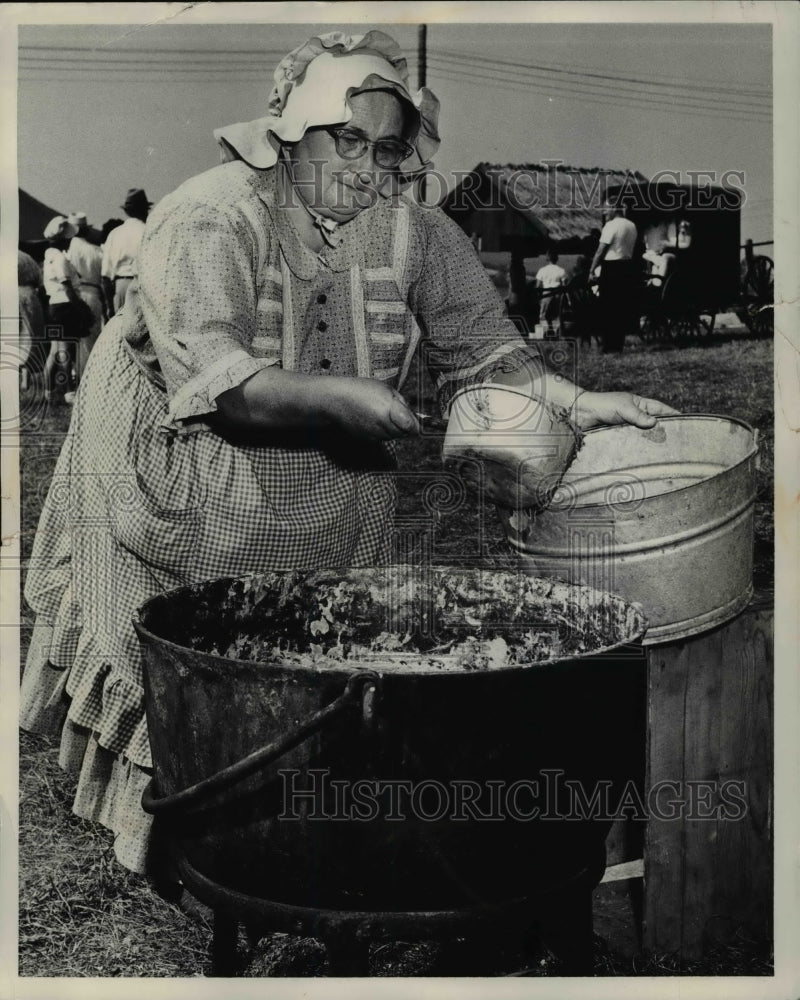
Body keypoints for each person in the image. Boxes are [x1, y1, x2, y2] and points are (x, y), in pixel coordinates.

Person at [20, 30, 677, 881]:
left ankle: (297, 794)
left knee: (321, 608)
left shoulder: (414, 228)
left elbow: (482, 347)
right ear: (291, 132)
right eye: (347, 139)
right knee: (186, 625)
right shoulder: (212, 213)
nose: (367, 167)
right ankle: (186, 829)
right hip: (182, 440)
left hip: (328, 445)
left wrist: (582, 401)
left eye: (387, 147)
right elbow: (221, 381)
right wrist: (348, 398)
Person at [41, 216, 91, 403]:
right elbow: (67, 285)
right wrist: (80, 307)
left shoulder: (49, 257)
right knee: (67, 350)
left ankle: (49, 391)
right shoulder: (60, 258)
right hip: (65, 305)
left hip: (54, 304)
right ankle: (69, 391)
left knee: (55, 350)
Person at [590, 202, 640, 353]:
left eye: (606, 208)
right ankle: (618, 344)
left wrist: (592, 270)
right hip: (627, 267)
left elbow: (601, 250)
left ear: (614, 208)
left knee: (608, 307)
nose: (605, 212)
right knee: (620, 307)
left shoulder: (610, 226)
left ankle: (609, 345)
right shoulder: (632, 226)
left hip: (612, 268)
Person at [67, 211, 106, 391]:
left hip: (73, 294)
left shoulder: (69, 250)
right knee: (92, 337)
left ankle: (78, 375)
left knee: (76, 338)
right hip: (93, 293)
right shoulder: (97, 251)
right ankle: (90, 376)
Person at [101, 189, 151, 316]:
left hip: (121, 285)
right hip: (143, 285)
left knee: (120, 328)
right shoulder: (148, 231)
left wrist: (109, 305)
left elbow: (105, 276)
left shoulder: (115, 234)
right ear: (145, 210)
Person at [18, 249, 46, 390]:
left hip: (9, 294)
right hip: (28, 295)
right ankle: (25, 380)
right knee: (29, 335)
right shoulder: (26, 257)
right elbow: (39, 281)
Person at [534, 249, 567, 328]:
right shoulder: (561, 271)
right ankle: (556, 331)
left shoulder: (542, 270)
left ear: (547, 258)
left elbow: (538, 286)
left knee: (544, 315)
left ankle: (547, 331)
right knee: (556, 315)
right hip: (557, 296)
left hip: (546, 296)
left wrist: (538, 298)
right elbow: (565, 287)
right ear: (557, 258)